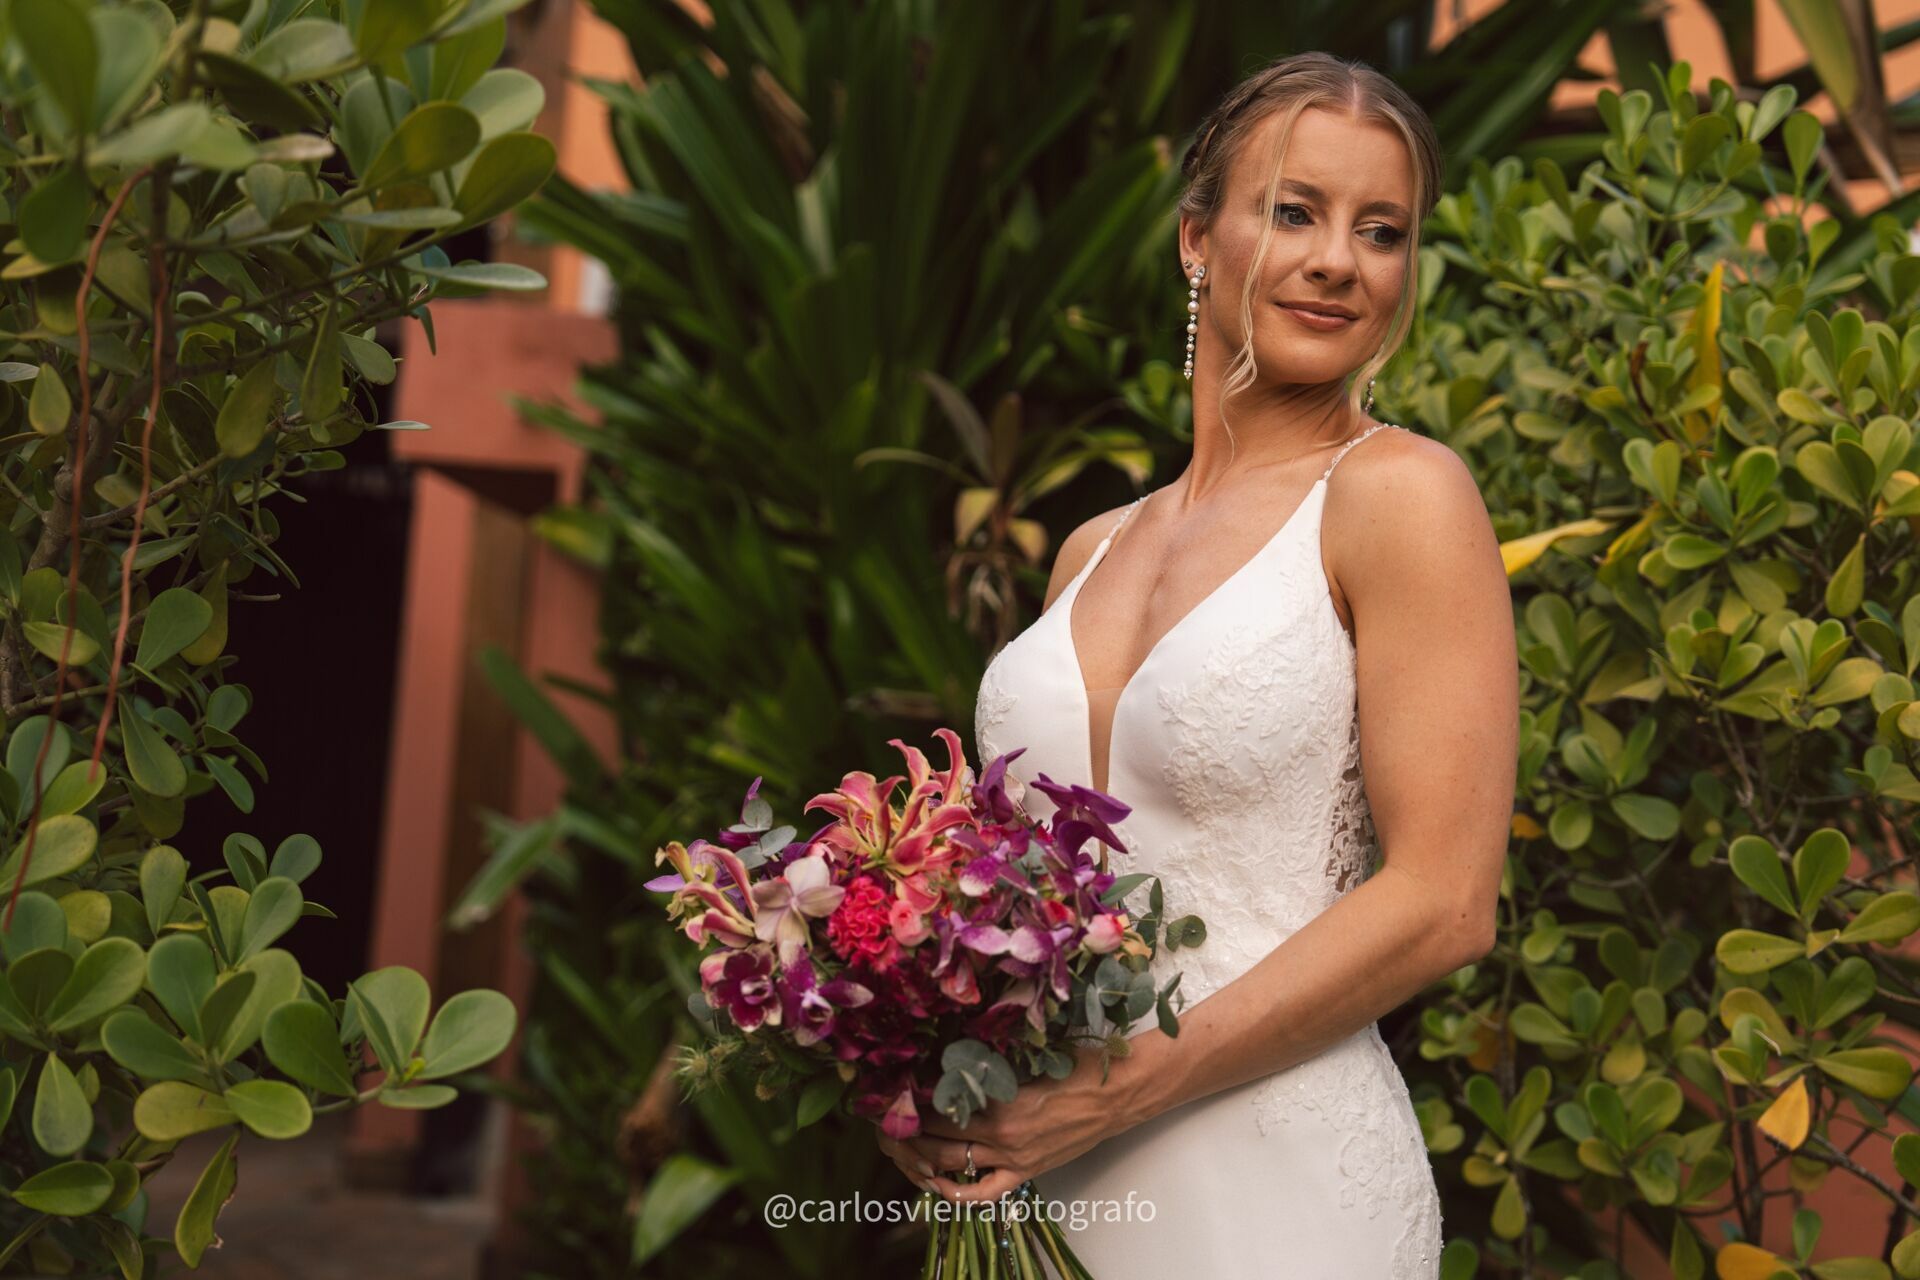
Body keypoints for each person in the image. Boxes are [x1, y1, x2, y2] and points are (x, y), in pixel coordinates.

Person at [875, 50, 1516, 1277]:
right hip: (1040, 1191)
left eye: (1381, 230)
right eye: (1294, 210)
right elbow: (1007, 896)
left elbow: (1446, 898)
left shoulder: (1400, 498)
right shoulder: (1088, 550)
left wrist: (1112, 1091)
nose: (1340, 258)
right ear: (1194, 240)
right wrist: (913, 1046)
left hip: (1287, 1192)